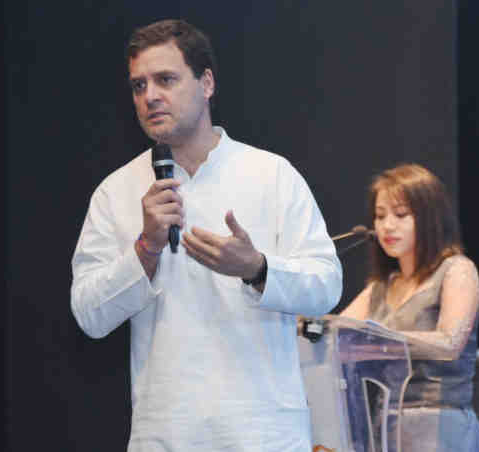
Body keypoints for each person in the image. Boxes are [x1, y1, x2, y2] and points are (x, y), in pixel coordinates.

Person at [70, 19, 342, 451]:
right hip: (166, 433)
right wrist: (145, 249)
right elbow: (90, 315)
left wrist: (256, 268)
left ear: (207, 83)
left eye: (166, 79)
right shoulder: (116, 191)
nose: (150, 96)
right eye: (139, 86)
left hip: (262, 431)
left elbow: (327, 285)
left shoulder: (271, 175)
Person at [340, 163, 479, 451]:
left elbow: (449, 343)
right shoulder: (381, 286)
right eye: (380, 216)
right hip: (385, 426)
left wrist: (378, 339)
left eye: (401, 215)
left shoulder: (457, 270)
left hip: (441, 425)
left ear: (430, 218)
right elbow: (338, 336)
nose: (386, 226)